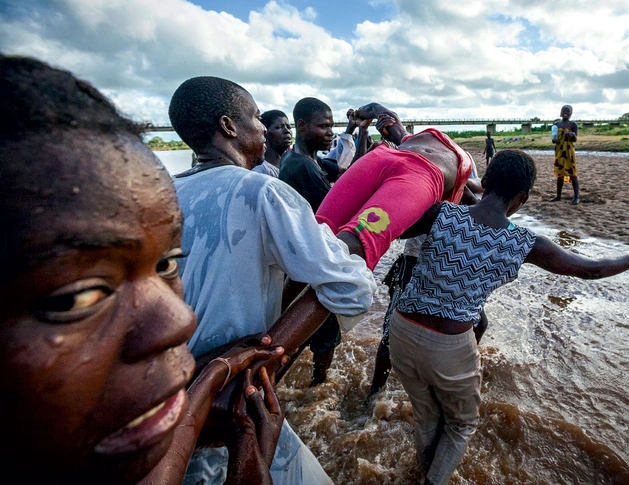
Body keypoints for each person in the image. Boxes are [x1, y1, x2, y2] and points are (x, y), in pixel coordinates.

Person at [0, 55, 285, 485]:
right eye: (79, 297)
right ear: (230, 126)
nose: (181, 320)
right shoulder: (261, 189)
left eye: (167, 263)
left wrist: (213, 376)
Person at [390, 149, 629, 485]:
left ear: (485, 181)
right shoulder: (524, 243)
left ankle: (419, 469)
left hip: (401, 331)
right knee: (461, 424)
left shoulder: (441, 214)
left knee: (426, 413)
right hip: (448, 346)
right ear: (524, 197)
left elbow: (393, 224)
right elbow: (591, 270)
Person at [168, 77, 377, 485]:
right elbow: (351, 286)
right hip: (230, 403)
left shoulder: (162, 194)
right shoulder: (262, 192)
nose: (264, 127)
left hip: (159, 413)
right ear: (229, 126)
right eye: (255, 117)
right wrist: (266, 356)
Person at [315, 103, 475, 272]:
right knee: (360, 240)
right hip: (421, 173)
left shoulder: (408, 137)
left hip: (382, 156)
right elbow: (474, 197)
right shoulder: (458, 162)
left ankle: (288, 294)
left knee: (318, 231)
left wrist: (357, 116)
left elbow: (375, 107)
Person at [369, 165, 485, 397]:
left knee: (479, 323)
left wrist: (464, 186)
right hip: (415, 262)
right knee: (391, 336)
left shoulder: (459, 179)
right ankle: (374, 392)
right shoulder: (425, 184)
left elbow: (479, 200)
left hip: (450, 265)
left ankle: (449, 371)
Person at [278, 97, 345, 386]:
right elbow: (338, 210)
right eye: (324, 126)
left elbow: (344, 175)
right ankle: (318, 387)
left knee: (296, 329)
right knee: (320, 331)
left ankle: (289, 387)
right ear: (302, 125)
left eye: (332, 126)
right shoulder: (303, 168)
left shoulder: (301, 159)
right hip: (311, 264)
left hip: (298, 262)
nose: (330, 132)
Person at [550, 104, 580, 204]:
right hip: (559, 151)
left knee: (572, 172)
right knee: (560, 173)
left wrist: (573, 135)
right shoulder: (556, 125)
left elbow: (575, 140)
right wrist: (554, 137)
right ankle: (558, 196)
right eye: (564, 110)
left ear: (571, 113)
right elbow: (554, 141)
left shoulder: (573, 125)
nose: (565, 112)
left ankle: (577, 197)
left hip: (569, 151)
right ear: (561, 112)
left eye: (568, 110)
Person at [253, 109, 292, 178]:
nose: (287, 131)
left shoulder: (294, 164)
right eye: (278, 127)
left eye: (288, 127)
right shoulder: (260, 172)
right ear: (265, 132)